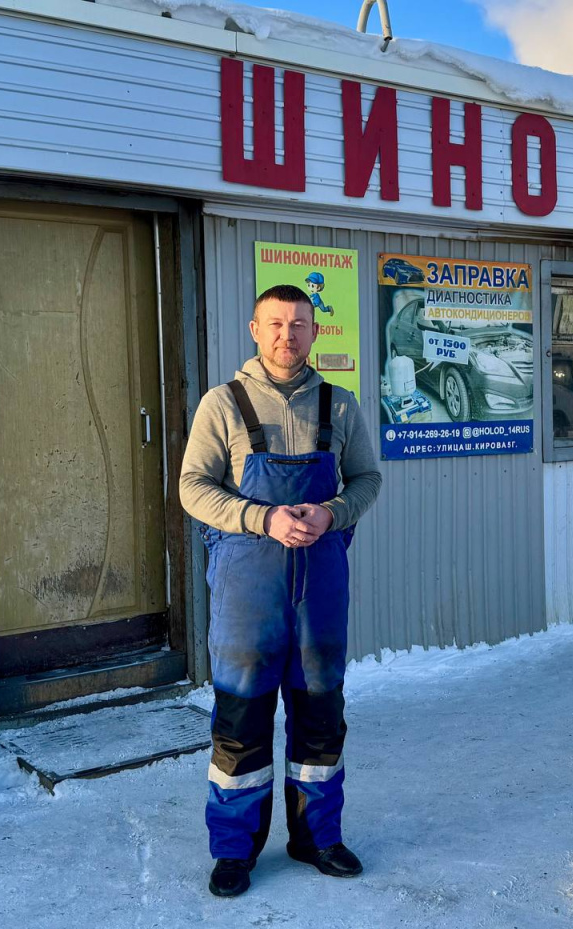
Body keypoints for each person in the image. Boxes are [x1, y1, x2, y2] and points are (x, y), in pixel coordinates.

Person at [179, 284, 381, 898]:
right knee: (241, 721)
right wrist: (263, 518)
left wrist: (336, 512)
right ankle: (234, 852)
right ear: (254, 328)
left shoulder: (339, 407)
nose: (286, 335)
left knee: (321, 717)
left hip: (318, 595)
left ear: (314, 332)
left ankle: (316, 837)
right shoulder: (223, 404)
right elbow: (192, 487)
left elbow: (368, 479)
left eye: (298, 324)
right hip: (247, 596)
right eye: (274, 324)